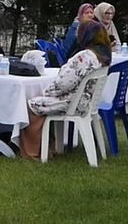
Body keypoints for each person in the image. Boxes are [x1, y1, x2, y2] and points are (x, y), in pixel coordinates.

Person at [19, 19, 112, 159]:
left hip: (72, 102)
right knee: (41, 101)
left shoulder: (84, 57)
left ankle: (32, 152)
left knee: (31, 104)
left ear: (86, 35)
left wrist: (47, 92)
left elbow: (63, 84)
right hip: (85, 102)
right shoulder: (103, 57)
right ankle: (49, 146)